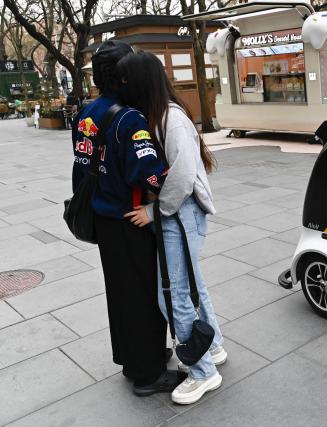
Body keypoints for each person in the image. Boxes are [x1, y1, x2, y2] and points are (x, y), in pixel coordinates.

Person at [71, 41, 184, 396]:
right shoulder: (129, 118)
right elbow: (150, 175)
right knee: (141, 295)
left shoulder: (86, 113)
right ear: (123, 75)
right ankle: (147, 373)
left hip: (103, 217)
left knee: (120, 294)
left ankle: (133, 356)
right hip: (131, 219)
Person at [118, 52, 227, 405]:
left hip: (179, 214)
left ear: (137, 83)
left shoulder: (170, 119)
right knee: (193, 287)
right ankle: (213, 346)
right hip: (181, 213)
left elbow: (180, 176)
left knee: (173, 296)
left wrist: (155, 211)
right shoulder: (163, 113)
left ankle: (202, 373)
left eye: (124, 81)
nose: (121, 87)